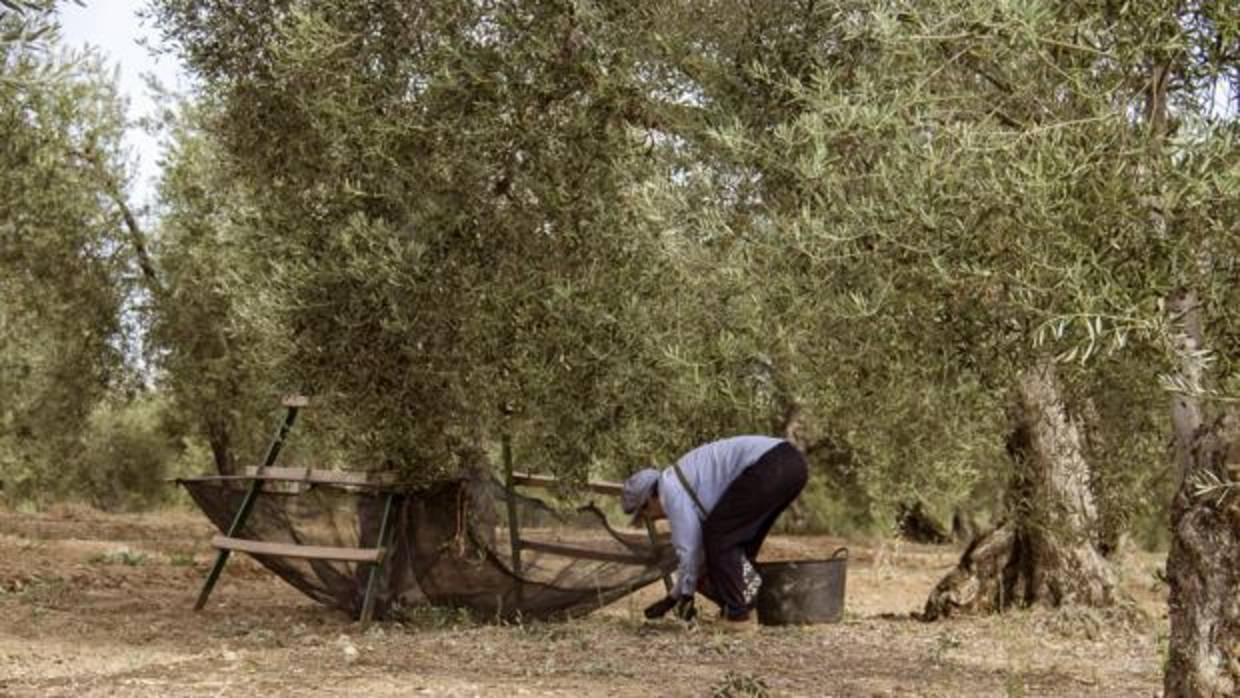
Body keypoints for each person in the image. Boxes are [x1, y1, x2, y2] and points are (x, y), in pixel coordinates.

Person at [621, 435, 808, 627]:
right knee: (737, 547)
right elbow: (696, 553)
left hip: (770, 465)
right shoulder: (682, 480)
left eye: (646, 514)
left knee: (719, 536)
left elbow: (690, 550)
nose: (652, 519)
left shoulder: (670, 491)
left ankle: (738, 618)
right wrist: (674, 597)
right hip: (793, 464)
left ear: (648, 501)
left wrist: (685, 596)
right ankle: (749, 609)